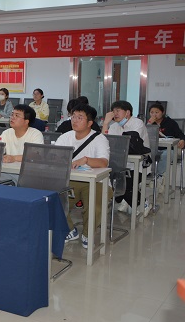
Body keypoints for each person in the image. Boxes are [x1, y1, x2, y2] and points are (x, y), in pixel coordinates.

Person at [55, 104, 110, 249]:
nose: (74, 120)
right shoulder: (65, 137)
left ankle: (87, 233)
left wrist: (86, 160)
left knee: (94, 206)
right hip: (71, 180)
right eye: (73, 117)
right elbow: (55, 156)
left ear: (90, 122)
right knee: (53, 199)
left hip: (97, 181)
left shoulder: (99, 138)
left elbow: (103, 162)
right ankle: (69, 230)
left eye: (80, 118)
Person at [102, 100, 150, 216]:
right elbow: (103, 142)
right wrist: (106, 124)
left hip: (138, 164)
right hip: (119, 163)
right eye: (113, 111)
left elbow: (130, 143)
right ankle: (124, 199)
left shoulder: (137, 123)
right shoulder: (114, 126)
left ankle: (143, 204)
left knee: (126, 185)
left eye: (118, 111)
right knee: (108, 182)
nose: (115, 114)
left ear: (127, 112)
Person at [147, 102, 185, 187]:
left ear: (163, 112)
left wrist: (182, 140)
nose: (154, 114)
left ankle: (158, 176)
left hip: (168, 149)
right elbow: (144, 135)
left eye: (157, 112)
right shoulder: (149, 123)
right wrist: (149, 124)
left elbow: (180, 134)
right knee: (147, 156)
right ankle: (152, 176)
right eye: (152, 112)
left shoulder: (170, 123)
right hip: (154, 148)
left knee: (165, 155)